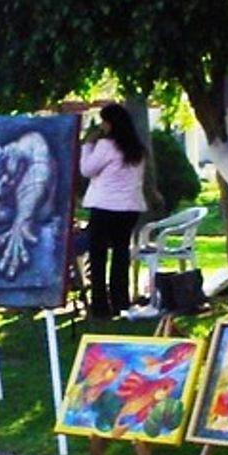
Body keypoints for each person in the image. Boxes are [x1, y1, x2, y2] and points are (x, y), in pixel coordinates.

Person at [79, 103, 147, 319]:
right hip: (129, 207)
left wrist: (87, 146)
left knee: (98, 256)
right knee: (120, 253)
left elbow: (87, 169)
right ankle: (120, 300)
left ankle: (100, 305)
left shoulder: (106, 146)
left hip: (104, 206)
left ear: (109, 123)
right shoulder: (136, 148)